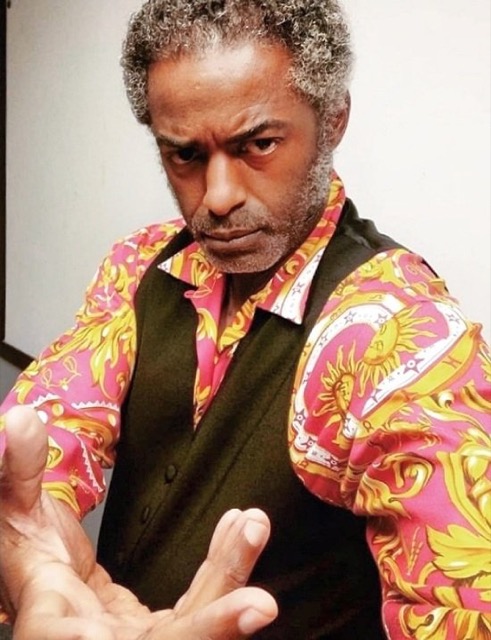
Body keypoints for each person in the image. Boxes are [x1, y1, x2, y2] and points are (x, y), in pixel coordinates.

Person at [1, 0, 490, 638]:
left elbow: (467, 606)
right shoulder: (140, 264)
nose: (219, 196)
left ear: (333, 119)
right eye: (184, 155)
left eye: (259, 145)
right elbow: (45, 440)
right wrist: (31, 553)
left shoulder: (400, 335)